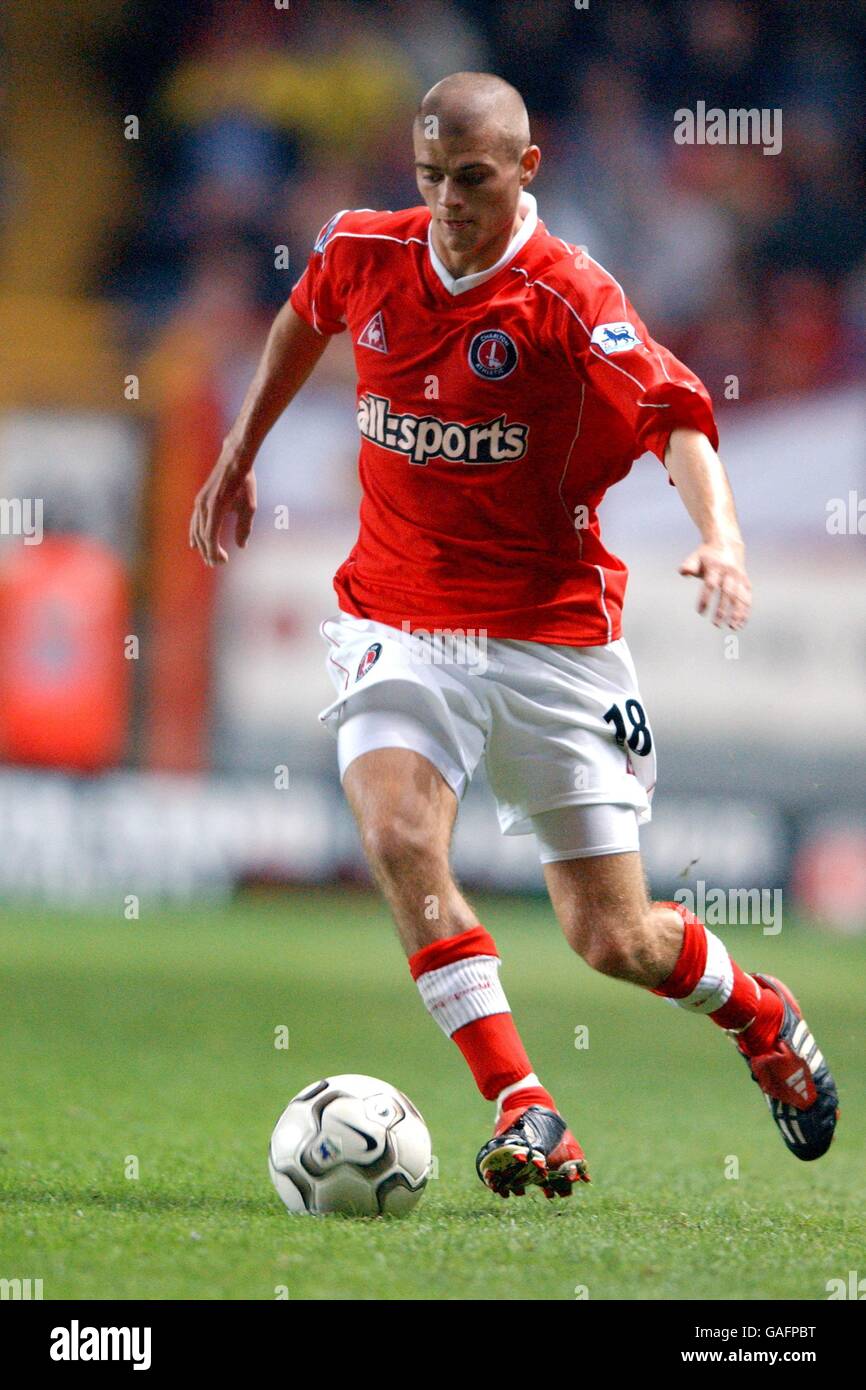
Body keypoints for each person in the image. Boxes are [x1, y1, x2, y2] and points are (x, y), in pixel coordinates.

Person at [190, 72, 838, 1199]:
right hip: (396, 614)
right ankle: (523, 1101)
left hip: (551, 637)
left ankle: (758, 1011)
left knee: (614, 938)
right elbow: (304, 317)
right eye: (431, 177)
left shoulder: (569, 298)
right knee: (396, 832)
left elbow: (678, 414)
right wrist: (239, 453)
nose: (446, 202)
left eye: (472, 180)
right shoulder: (363, 248)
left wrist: (720, 539)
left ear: (525, 170)